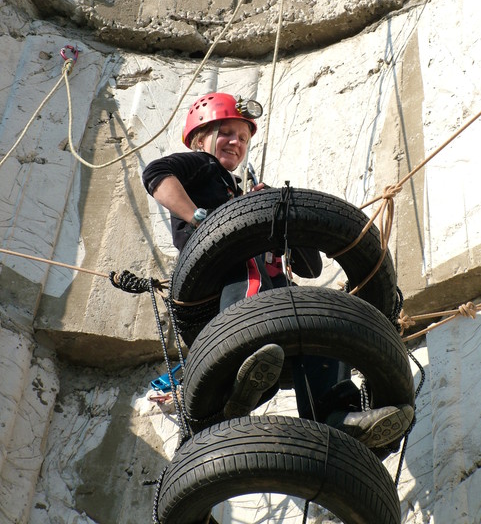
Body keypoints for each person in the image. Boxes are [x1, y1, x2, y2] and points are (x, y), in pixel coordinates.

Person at [142, 92, 413, 447]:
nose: (235, 142)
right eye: (225, 133)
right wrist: (199, 217)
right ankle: (240, 376)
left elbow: (311, 266)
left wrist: (275, 213)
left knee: (320, 327)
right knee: (252, 285)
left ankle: (335, 413)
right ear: (199, 139)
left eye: (242, 137)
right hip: (225, 278)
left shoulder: (244, 195)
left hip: (271, 291)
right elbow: (157, 173)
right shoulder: (202, 166)